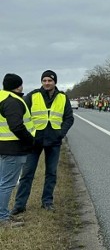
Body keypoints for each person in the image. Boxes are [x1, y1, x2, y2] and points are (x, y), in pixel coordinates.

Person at [12, 70, 75, 214]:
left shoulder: (63, 98)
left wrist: (60, 133)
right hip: (34, 141)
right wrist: (28, 134)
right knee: (27, 173)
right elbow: (21, 114)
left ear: (55, 82)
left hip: (54, 141)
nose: (47, 83)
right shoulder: (33, 95)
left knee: (51, 173)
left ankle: (47, 201)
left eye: (49, 80)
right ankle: (20, 205)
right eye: (44, 80)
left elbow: (69, 118)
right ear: (41, 82)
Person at [0, 74, 35, 228]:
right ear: (18, 86)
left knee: (2, 183)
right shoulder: (12, 101)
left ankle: (3, 215)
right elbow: (16, 126)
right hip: (13, 148)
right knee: (7, 184)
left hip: (3, 147)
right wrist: (30, 141)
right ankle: (2, 218)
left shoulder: (2, 97)